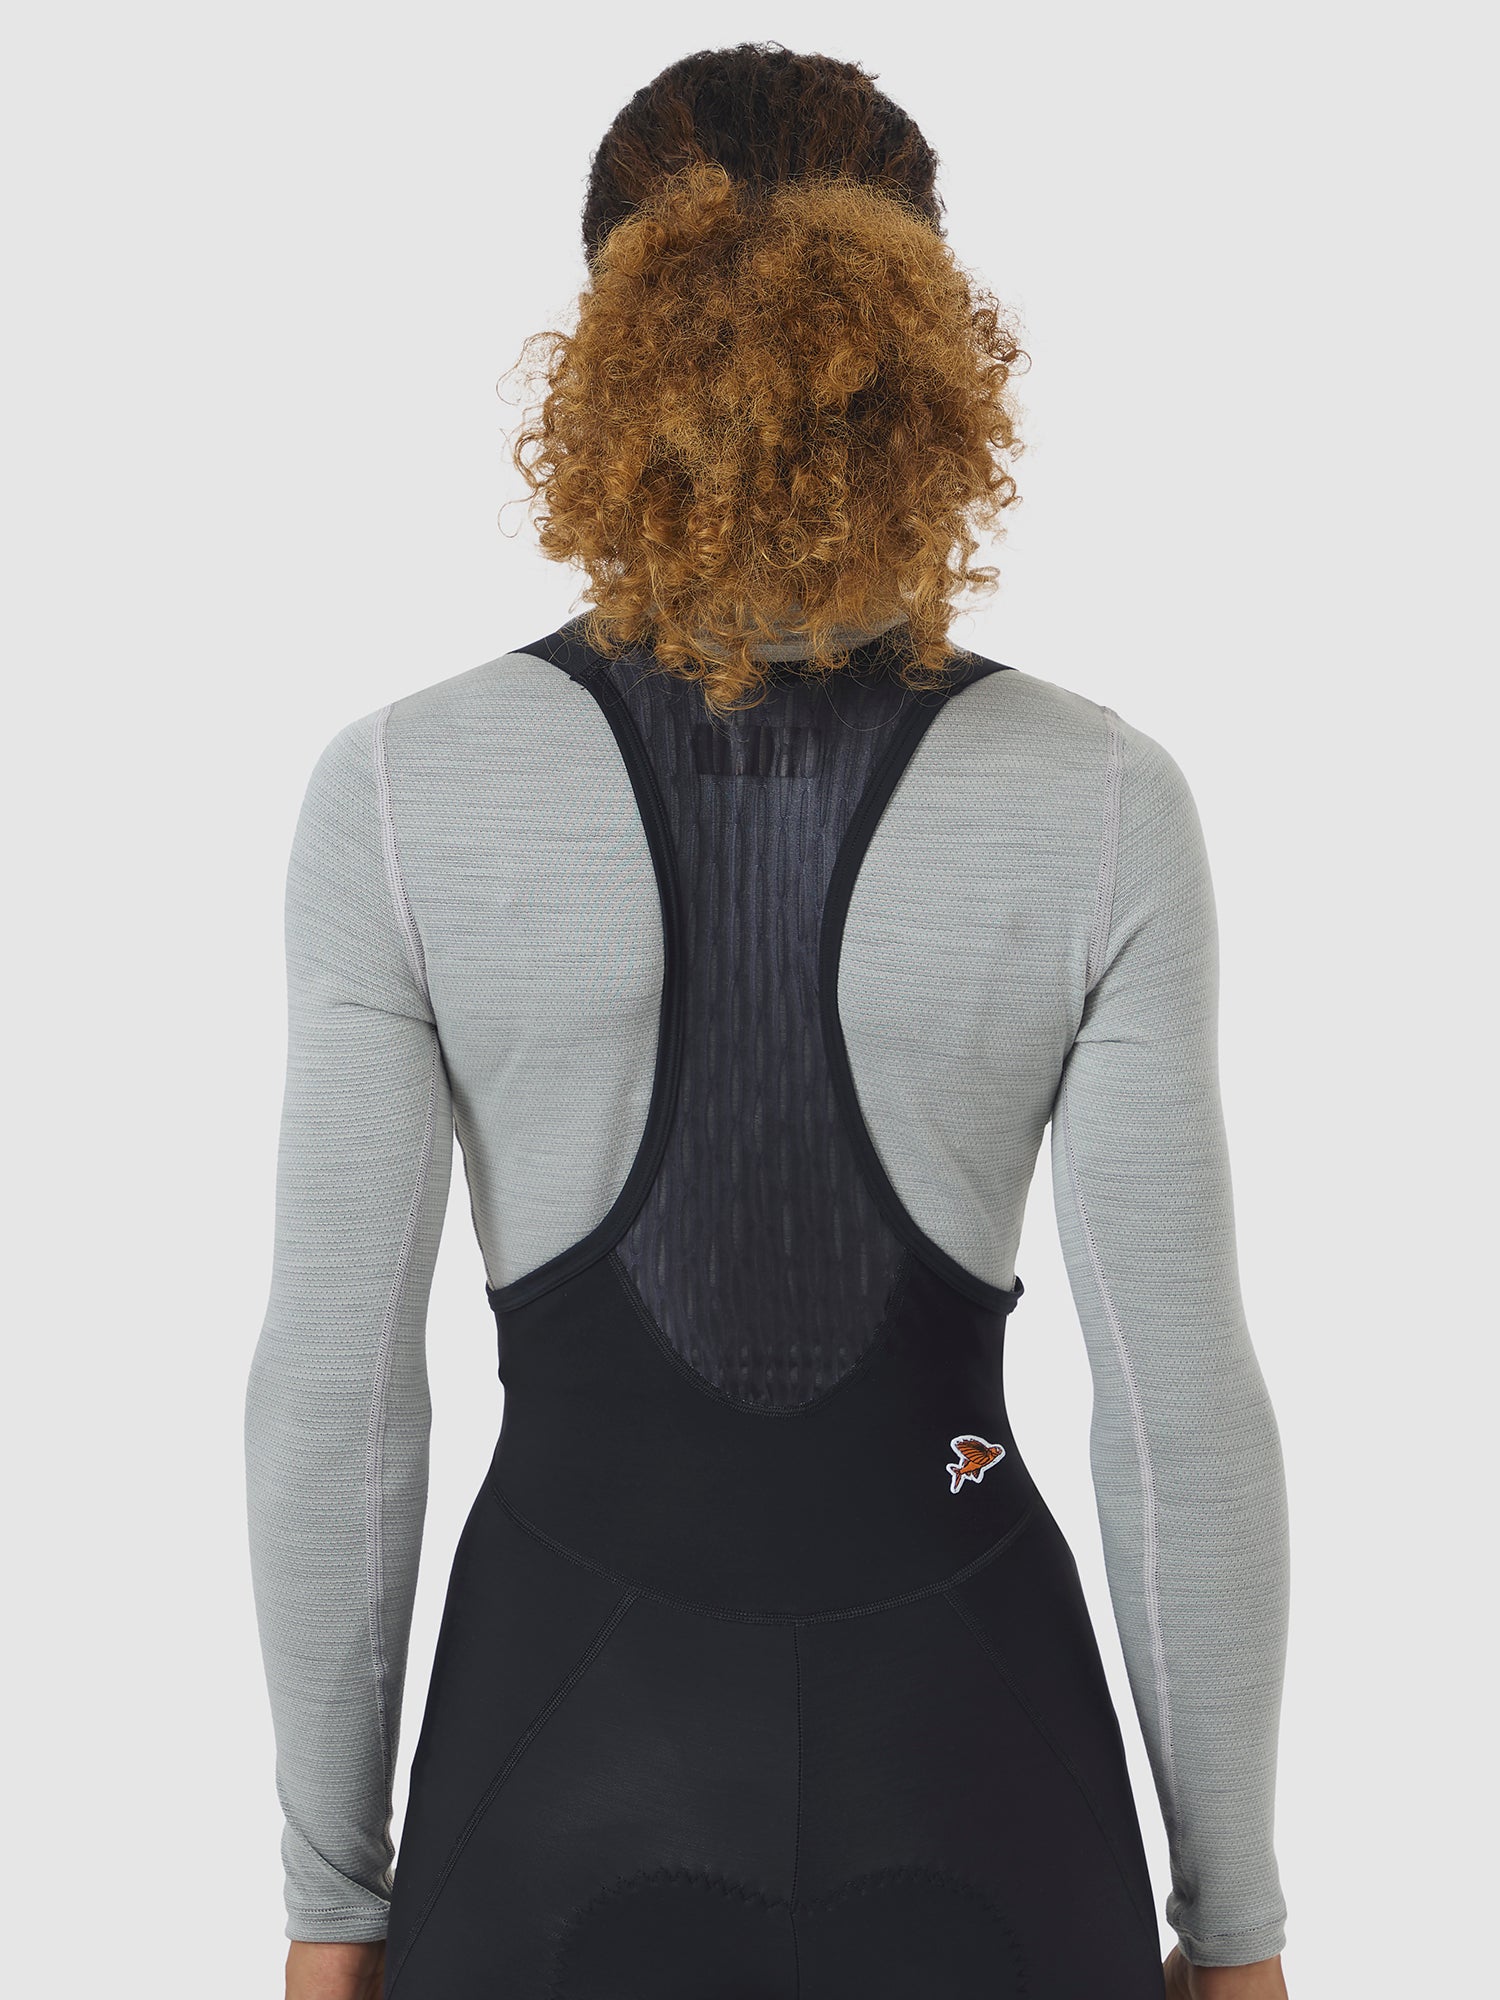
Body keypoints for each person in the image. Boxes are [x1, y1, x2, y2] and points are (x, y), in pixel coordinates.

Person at [246, 43, 1292, 2000]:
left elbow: (339, 1397)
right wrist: (1234, 1930)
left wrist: (331, 1901)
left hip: (547, 1790)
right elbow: (1178, 1418)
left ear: (605, 352)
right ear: (923, 350)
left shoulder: (403, 791)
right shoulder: (1097, 799)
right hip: (987, 1780)